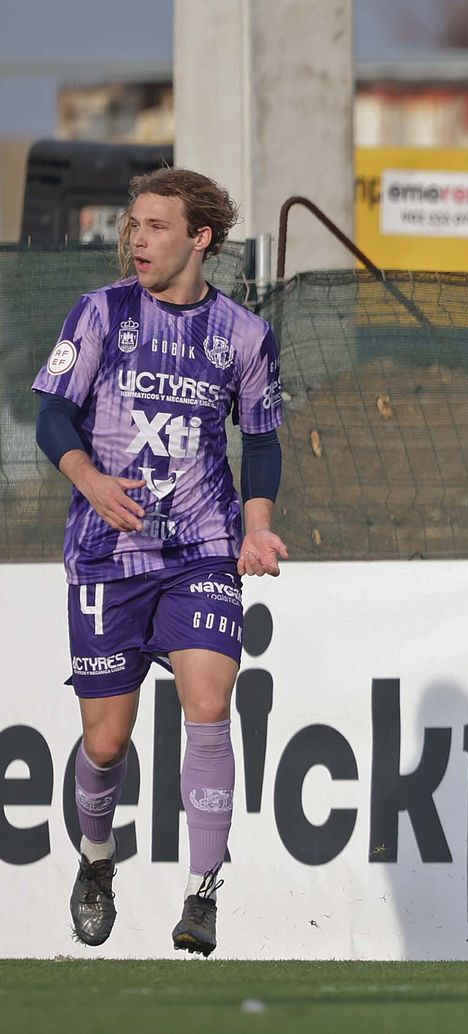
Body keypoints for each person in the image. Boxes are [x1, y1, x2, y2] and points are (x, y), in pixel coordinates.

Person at [33, 168, 287, 957]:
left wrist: (257, 525)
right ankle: (97, 861)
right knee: (106, 743)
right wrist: (90, 480)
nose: (136, 240)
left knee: (210, 702)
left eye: (154, 226)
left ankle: (202, 894)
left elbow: (263, 439)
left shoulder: (243, 334)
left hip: (202, 550)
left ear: (199, 237)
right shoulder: (103, 313)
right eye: (132, 226)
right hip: (108, 555)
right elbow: (51, 413)